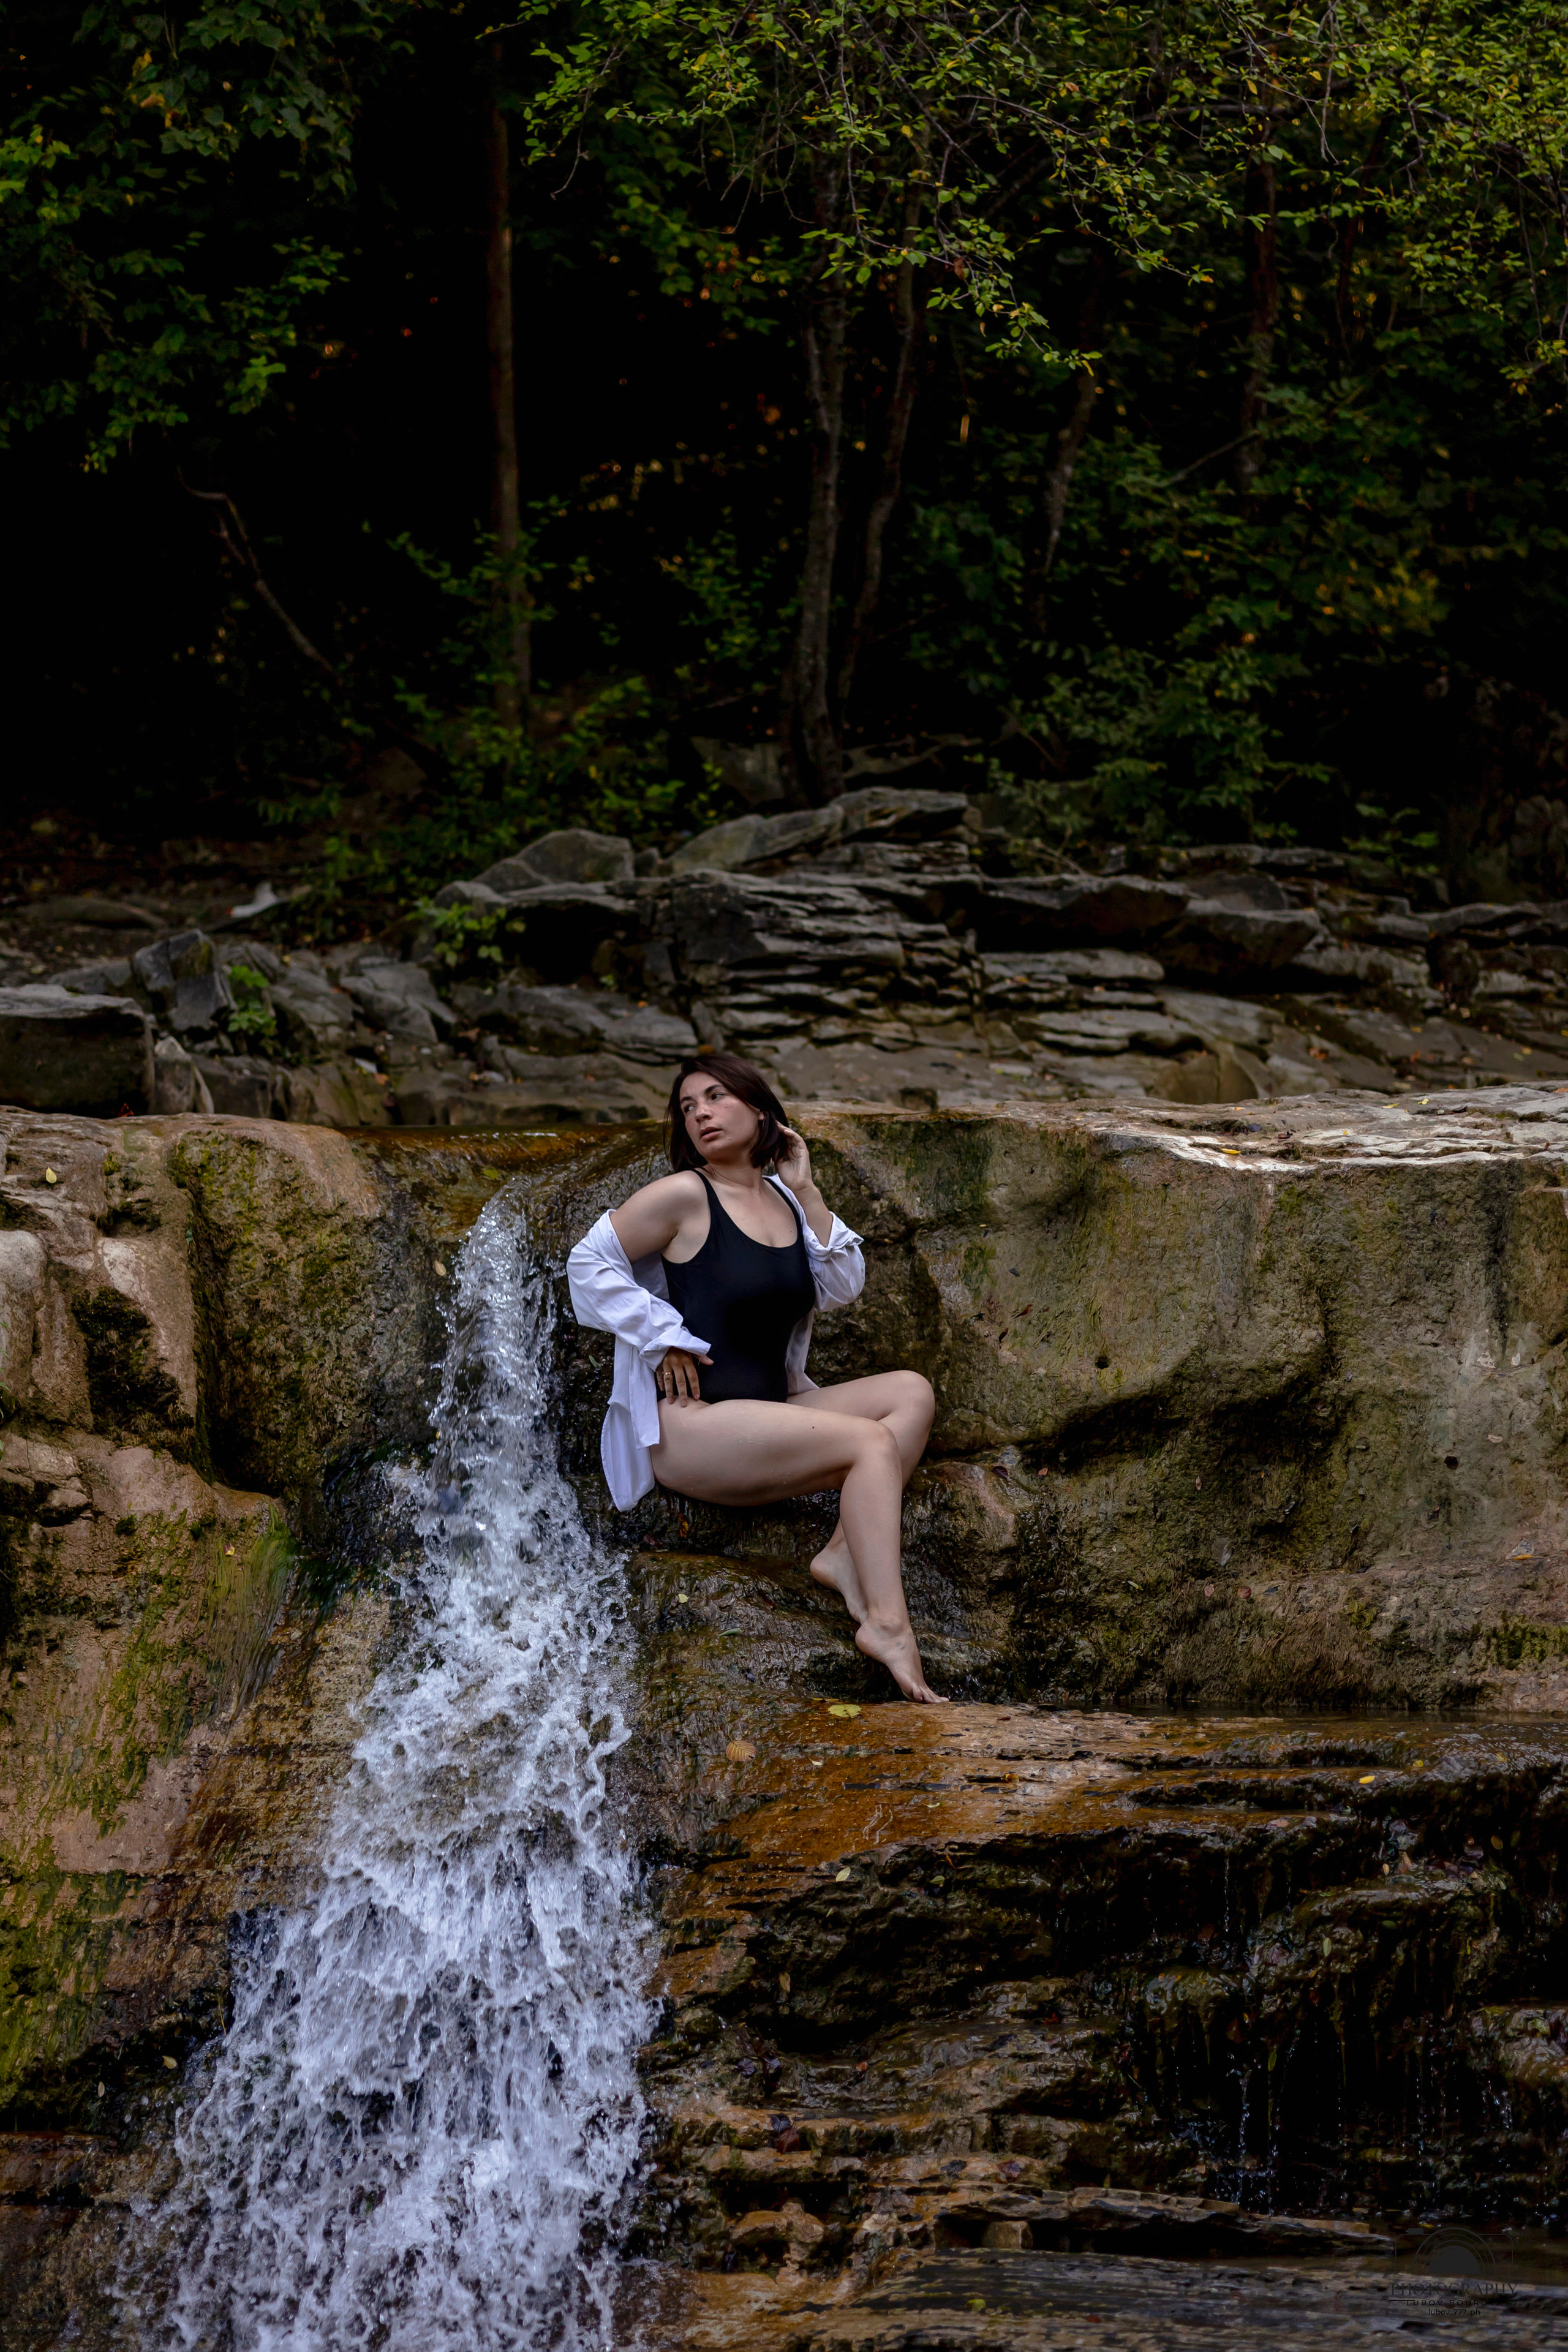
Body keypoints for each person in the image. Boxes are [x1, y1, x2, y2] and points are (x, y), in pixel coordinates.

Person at [566, 1053, 944, 1702]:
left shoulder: (782, 1201)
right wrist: (662, 1335)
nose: (701, 1114)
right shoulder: (685, 1194)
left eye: (716, 1097)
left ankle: (843, 1554)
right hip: (693, 1429)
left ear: (760, 1109)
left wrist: (806, 1189)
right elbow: (586, 1263)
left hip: (773, 1409)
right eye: (688, 1108)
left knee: (912, 1391)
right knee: (869, 1443)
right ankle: (887, 1625)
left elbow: (843, 1286)